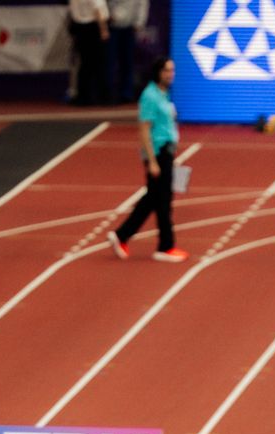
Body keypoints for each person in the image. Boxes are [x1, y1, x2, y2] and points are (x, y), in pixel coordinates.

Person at [106, 57, 187, 263]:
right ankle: (165, 246)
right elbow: (144, 130)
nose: (171, 74)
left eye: (173, 70)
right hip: (158, 153)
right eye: (167, 71)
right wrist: (152, 161)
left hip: (166, 152)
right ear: (158, 72)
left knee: (155, 198)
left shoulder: (163, 94)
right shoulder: (150, 96)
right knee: (162, 200)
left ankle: (123, 235)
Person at [67, 0, 111, 105]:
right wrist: (103, 29)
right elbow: (97, 9)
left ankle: (84, 96)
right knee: (98, 63)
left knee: (85, 64)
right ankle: (102, 96)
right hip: (93, 28)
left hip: (79, 27)